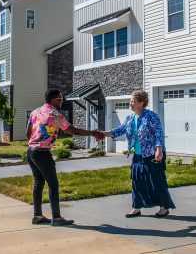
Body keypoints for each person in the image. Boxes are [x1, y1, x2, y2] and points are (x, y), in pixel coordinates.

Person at [26, 88, 104, 226]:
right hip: (42, 152)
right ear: (54, 100)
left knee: (39, 182)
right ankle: (56, 218)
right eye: (61, 99)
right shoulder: (55, 115)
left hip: (31, 150)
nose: (62, 102)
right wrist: (93, 133)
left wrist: (34, 143)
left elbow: (28, 132)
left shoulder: (35, 112)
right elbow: (74, 131)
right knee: (53, 184)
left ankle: (37, 216)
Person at [100, 91, 175, 218]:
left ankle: (164, 207)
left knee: (156, 181)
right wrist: (102, 133)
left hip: (153, 154)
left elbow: (159, 134)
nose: (130, 103)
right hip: (138, 156)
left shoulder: (152, 116)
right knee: (136, 182)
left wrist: (159, 150)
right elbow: (118, 131)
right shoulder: (130, 118)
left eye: (133, 101)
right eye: (130, 101)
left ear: (141, 103)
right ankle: (136, 208)